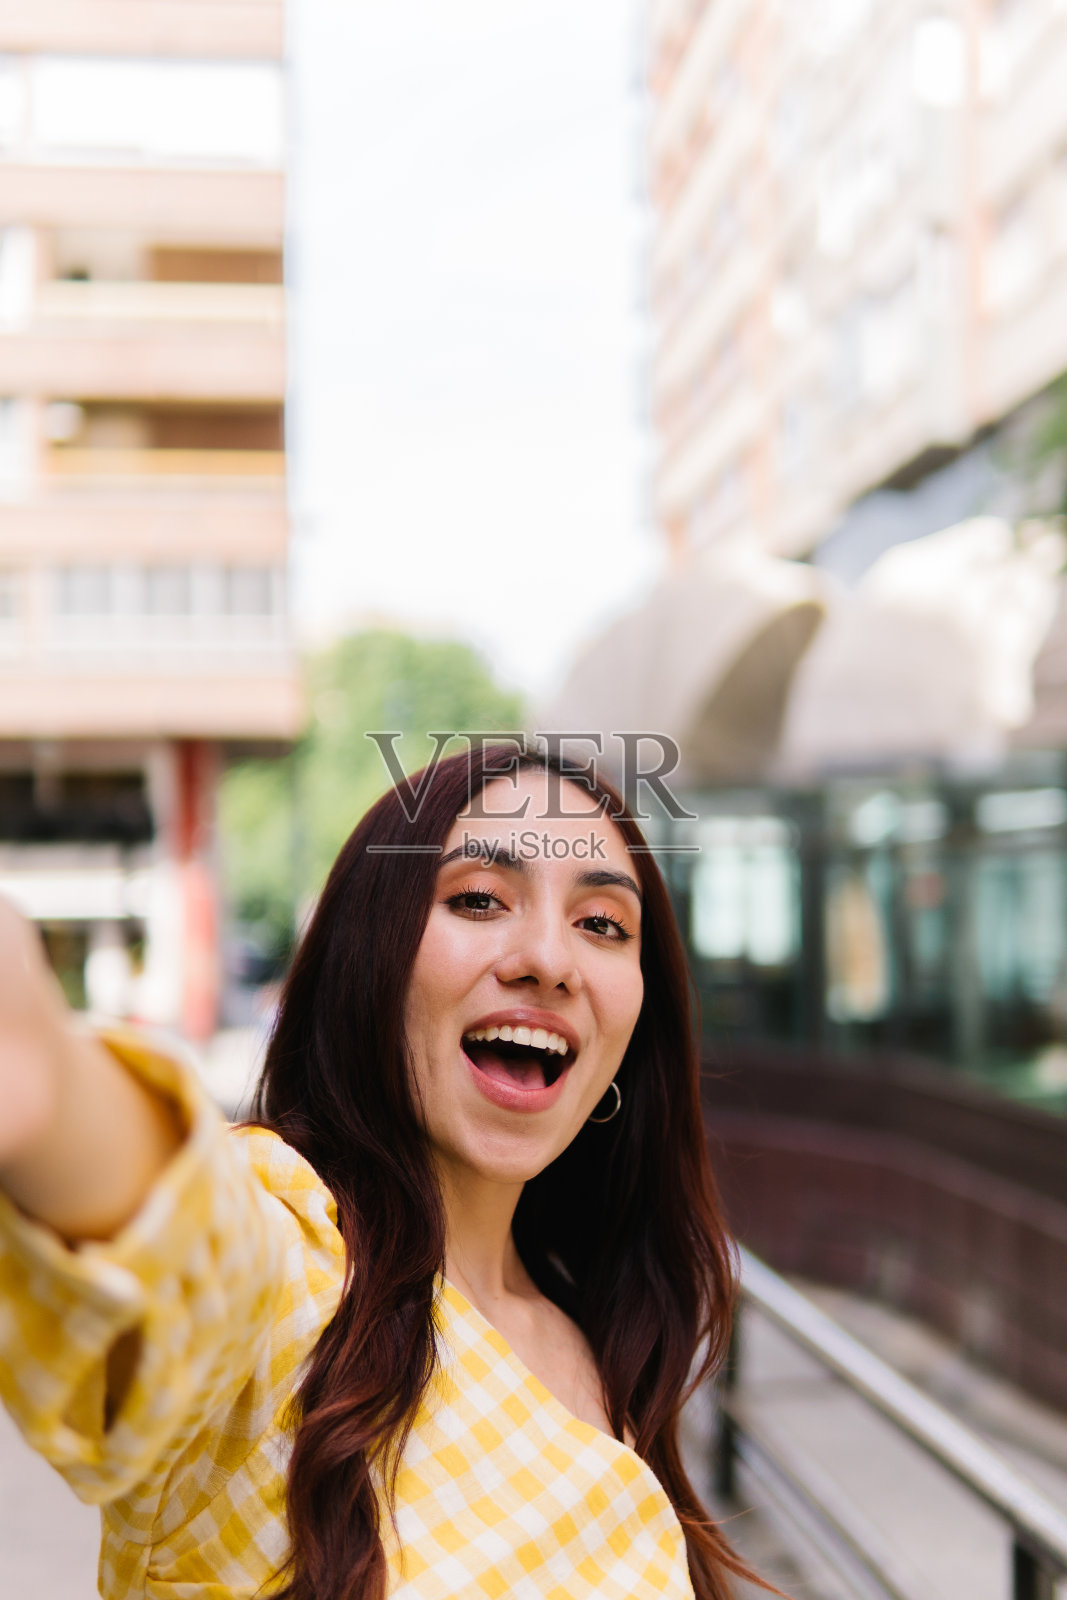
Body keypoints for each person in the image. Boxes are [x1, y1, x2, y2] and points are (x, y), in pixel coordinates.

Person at [0, 744, 767, 1600]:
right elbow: (174, 1232)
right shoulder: (300, 1277)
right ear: (368, 961)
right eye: (478, 899)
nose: (549, 960)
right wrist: (43, 1081)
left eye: (601, 925)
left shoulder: (602, 1336)